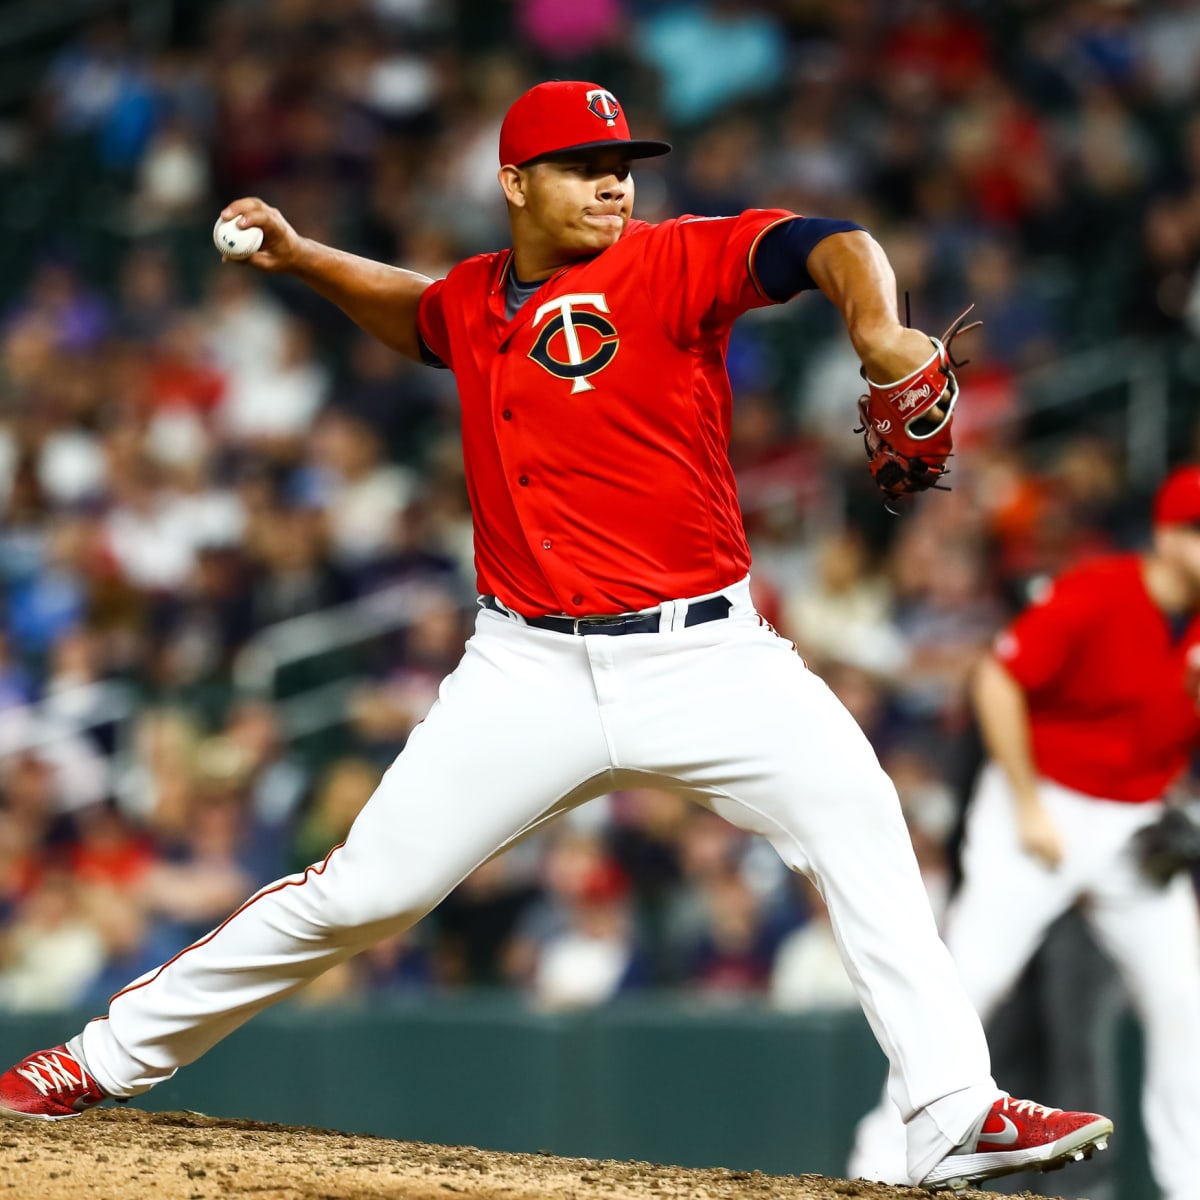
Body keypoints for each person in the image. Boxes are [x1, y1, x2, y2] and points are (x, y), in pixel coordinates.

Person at [0, 79, 1111, 1191]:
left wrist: (874, 324)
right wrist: (303, 261)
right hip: (524, 669)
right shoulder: (478, 297)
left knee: (864, 826)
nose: (613, 181)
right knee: (365, 894)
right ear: (515, 183)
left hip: (708, 657)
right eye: (584, 164)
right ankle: (90, 1062)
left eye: (623, 162)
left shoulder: (675, 261)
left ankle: (954, 1112)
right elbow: (421, 315)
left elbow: (831, 242)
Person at [849, 464, 1200, 1200]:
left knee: (1183, 1002)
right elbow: (996, 680)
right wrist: (1027, 803)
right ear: (1170, 537)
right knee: (972, 982)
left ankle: (1189, 1180)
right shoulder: (1102, 589)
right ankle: (877, 1164)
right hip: (1037, 806)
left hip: (1132, 826)